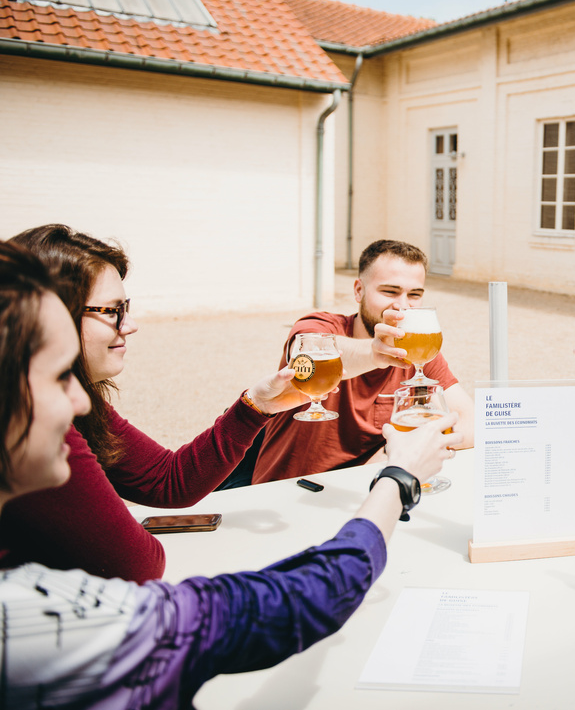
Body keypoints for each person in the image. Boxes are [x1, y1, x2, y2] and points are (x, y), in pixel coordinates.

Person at [0, 239, 458, 707]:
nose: (78, 400)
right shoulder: (25, 608)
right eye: (58, 375)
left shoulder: (69, 412)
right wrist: (397, 478)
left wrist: (254, 406)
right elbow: (148, 570)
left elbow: (167, 481)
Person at [0, 224, 318, 583]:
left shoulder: (64, 397)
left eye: (127, 307)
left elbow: (169, 480)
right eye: (112, 311)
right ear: (47, 314)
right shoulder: (29, 419)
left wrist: (255, 406)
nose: (130, 325)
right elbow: (134, 564)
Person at [252, 239, 474, 484]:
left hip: (367, 491)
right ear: (359, 290)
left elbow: (471, 423)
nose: (402, 306)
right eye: (389, 291)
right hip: (287, 492)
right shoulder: (318, 327)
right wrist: (375, 352)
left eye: (414, 294)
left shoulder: (417, 350)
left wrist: (394, 452)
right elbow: (312, 352)